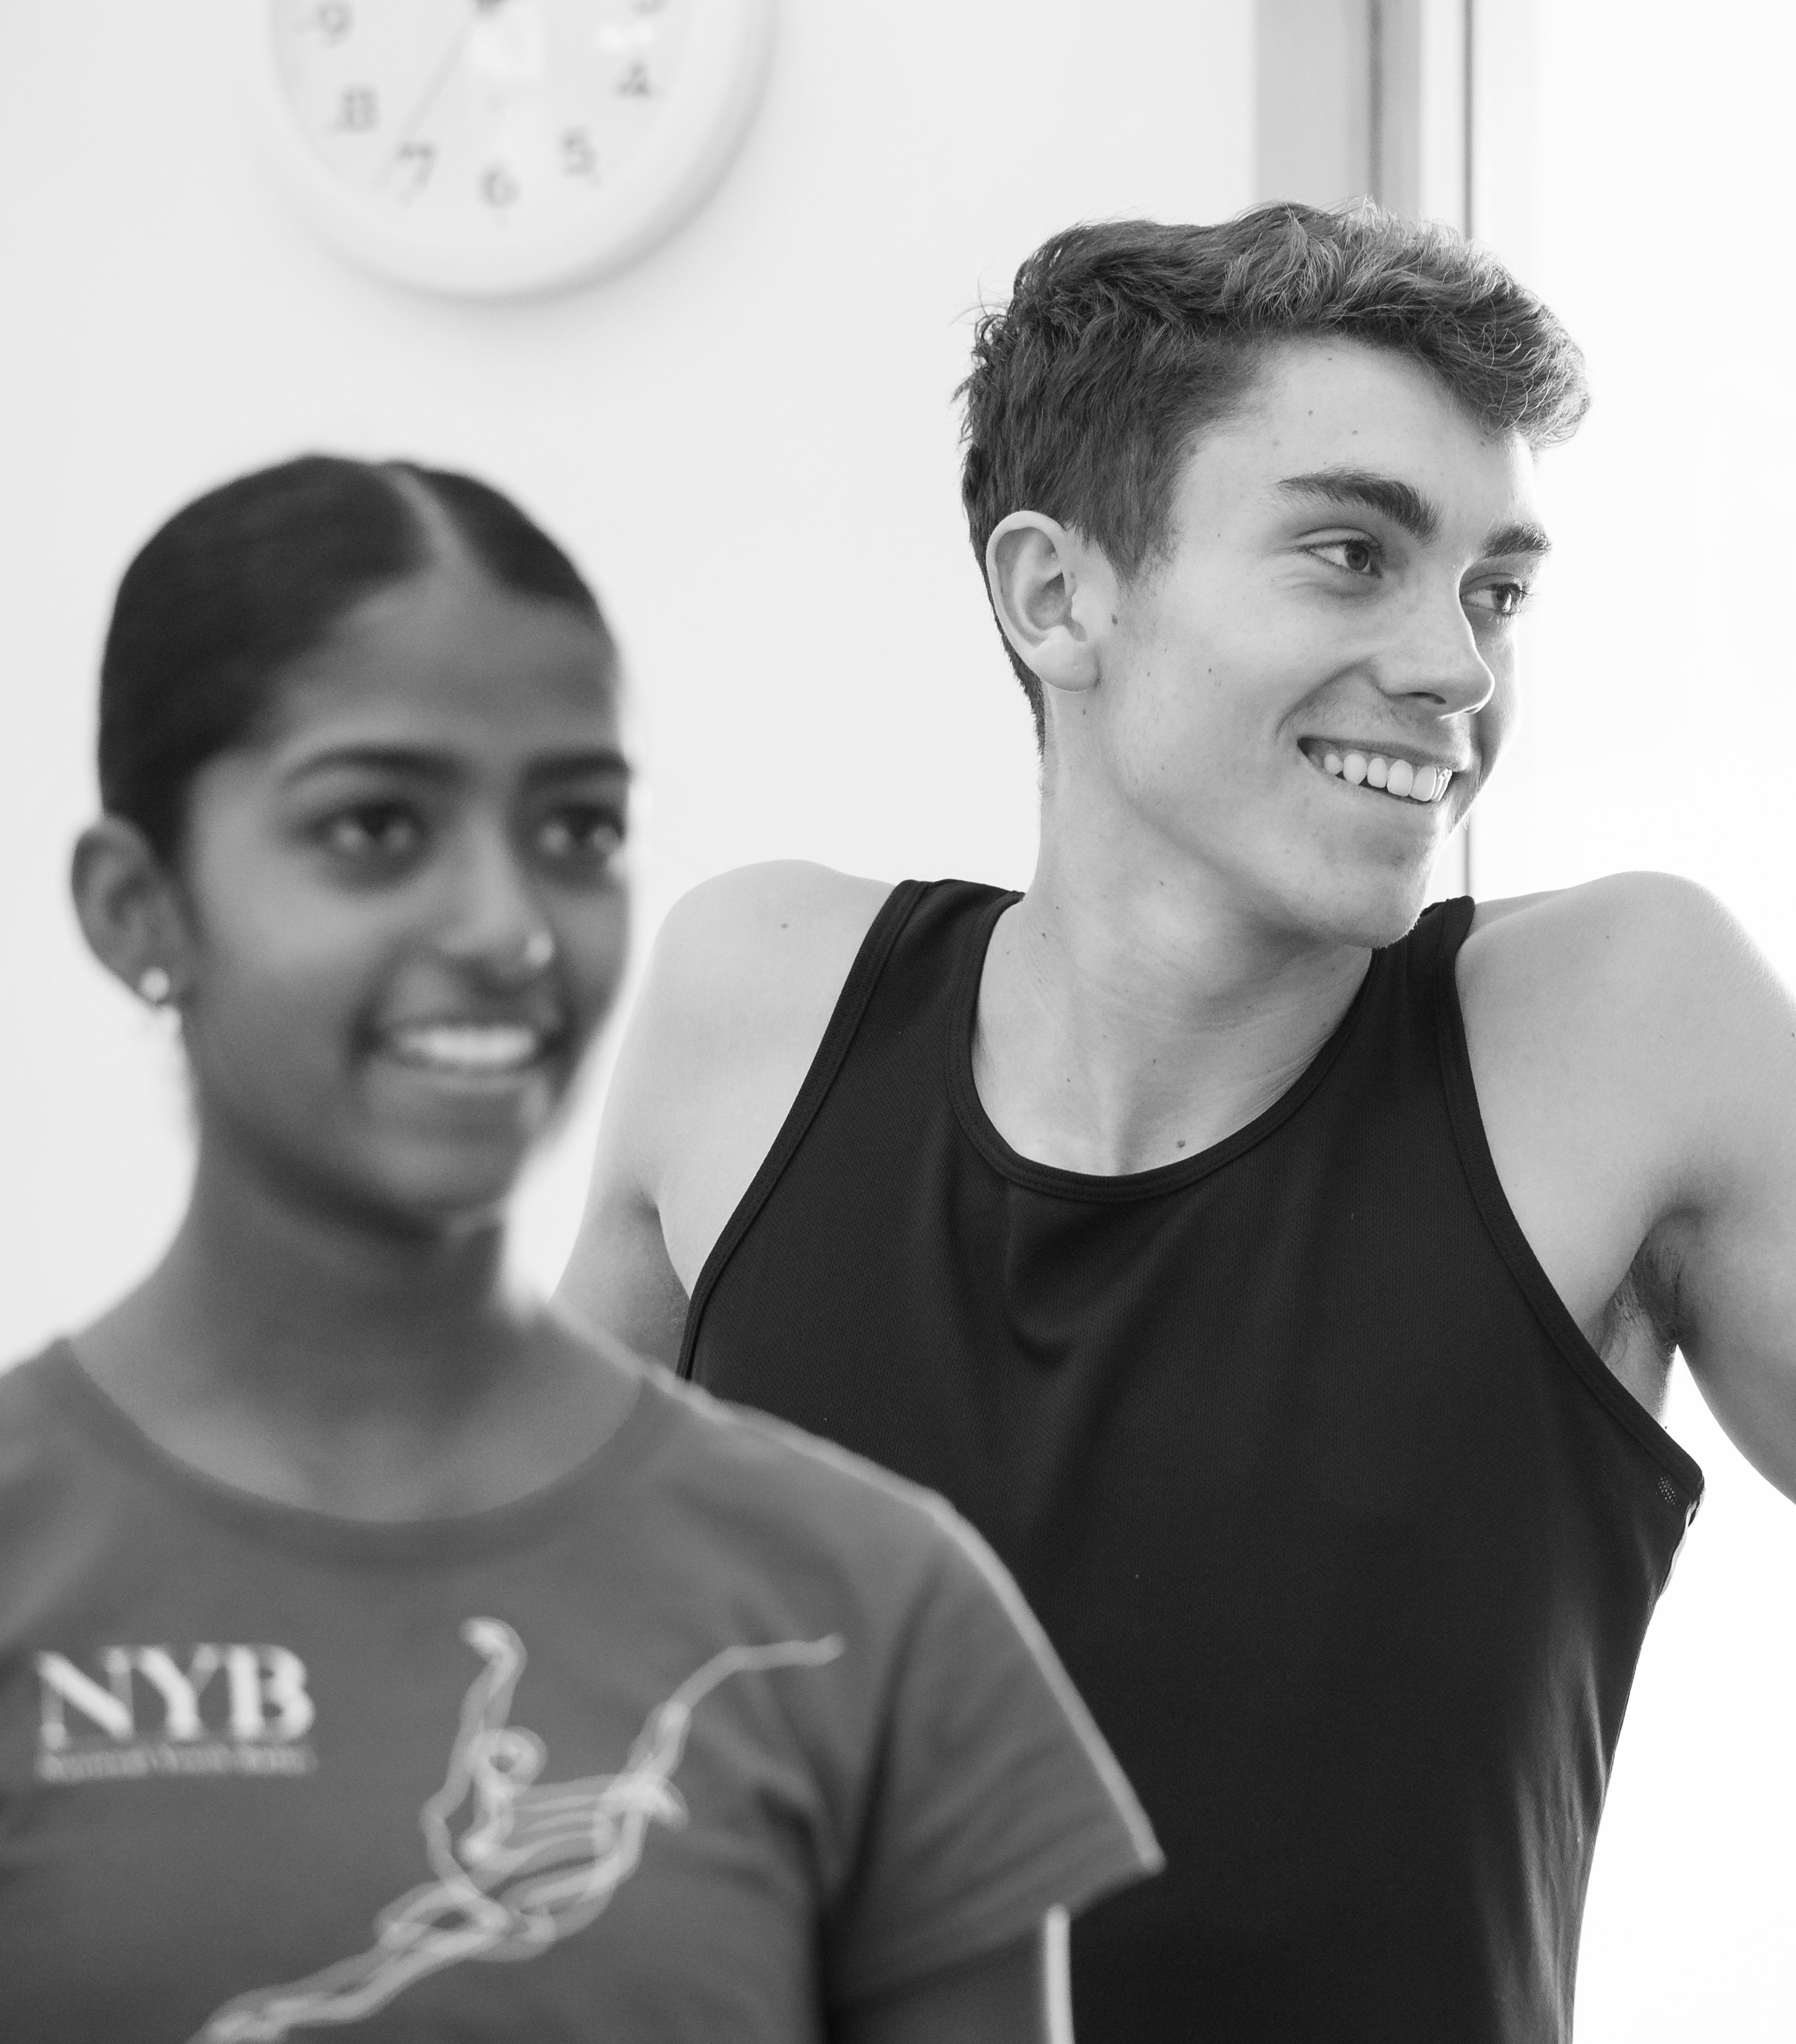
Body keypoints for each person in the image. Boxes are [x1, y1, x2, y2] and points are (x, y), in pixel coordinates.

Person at [557, 203, 1796, 2043]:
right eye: (1352, 554)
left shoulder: (1618, 1025)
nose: (1459, 669)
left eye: (1495, 590)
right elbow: (516, 1644)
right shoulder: (758, 1004)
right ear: (1055, 597)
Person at [0, 455, 1160, 2044]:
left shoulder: (869, 1610)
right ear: (138, 908)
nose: (508, 927)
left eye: (577, 828)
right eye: (375, 826)